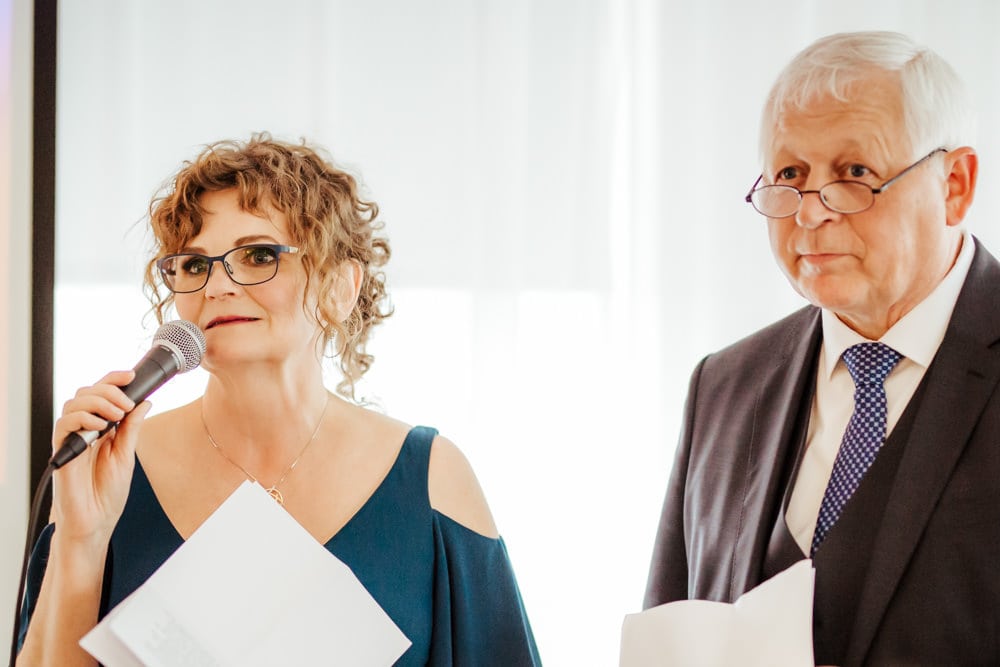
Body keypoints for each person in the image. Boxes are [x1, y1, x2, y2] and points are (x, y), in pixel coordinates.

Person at [17, 134, 541, 666]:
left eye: (258, 255)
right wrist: (81, 541)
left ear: (339, 287)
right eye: (194, 265)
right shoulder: (112, 465)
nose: (217, 285)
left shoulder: (431, 479)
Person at [644, 31, 997, 666]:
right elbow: (672, 628)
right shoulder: (722, 386)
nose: (810, 214)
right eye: (790, 175)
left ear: (955, 184)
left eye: (854, 173)